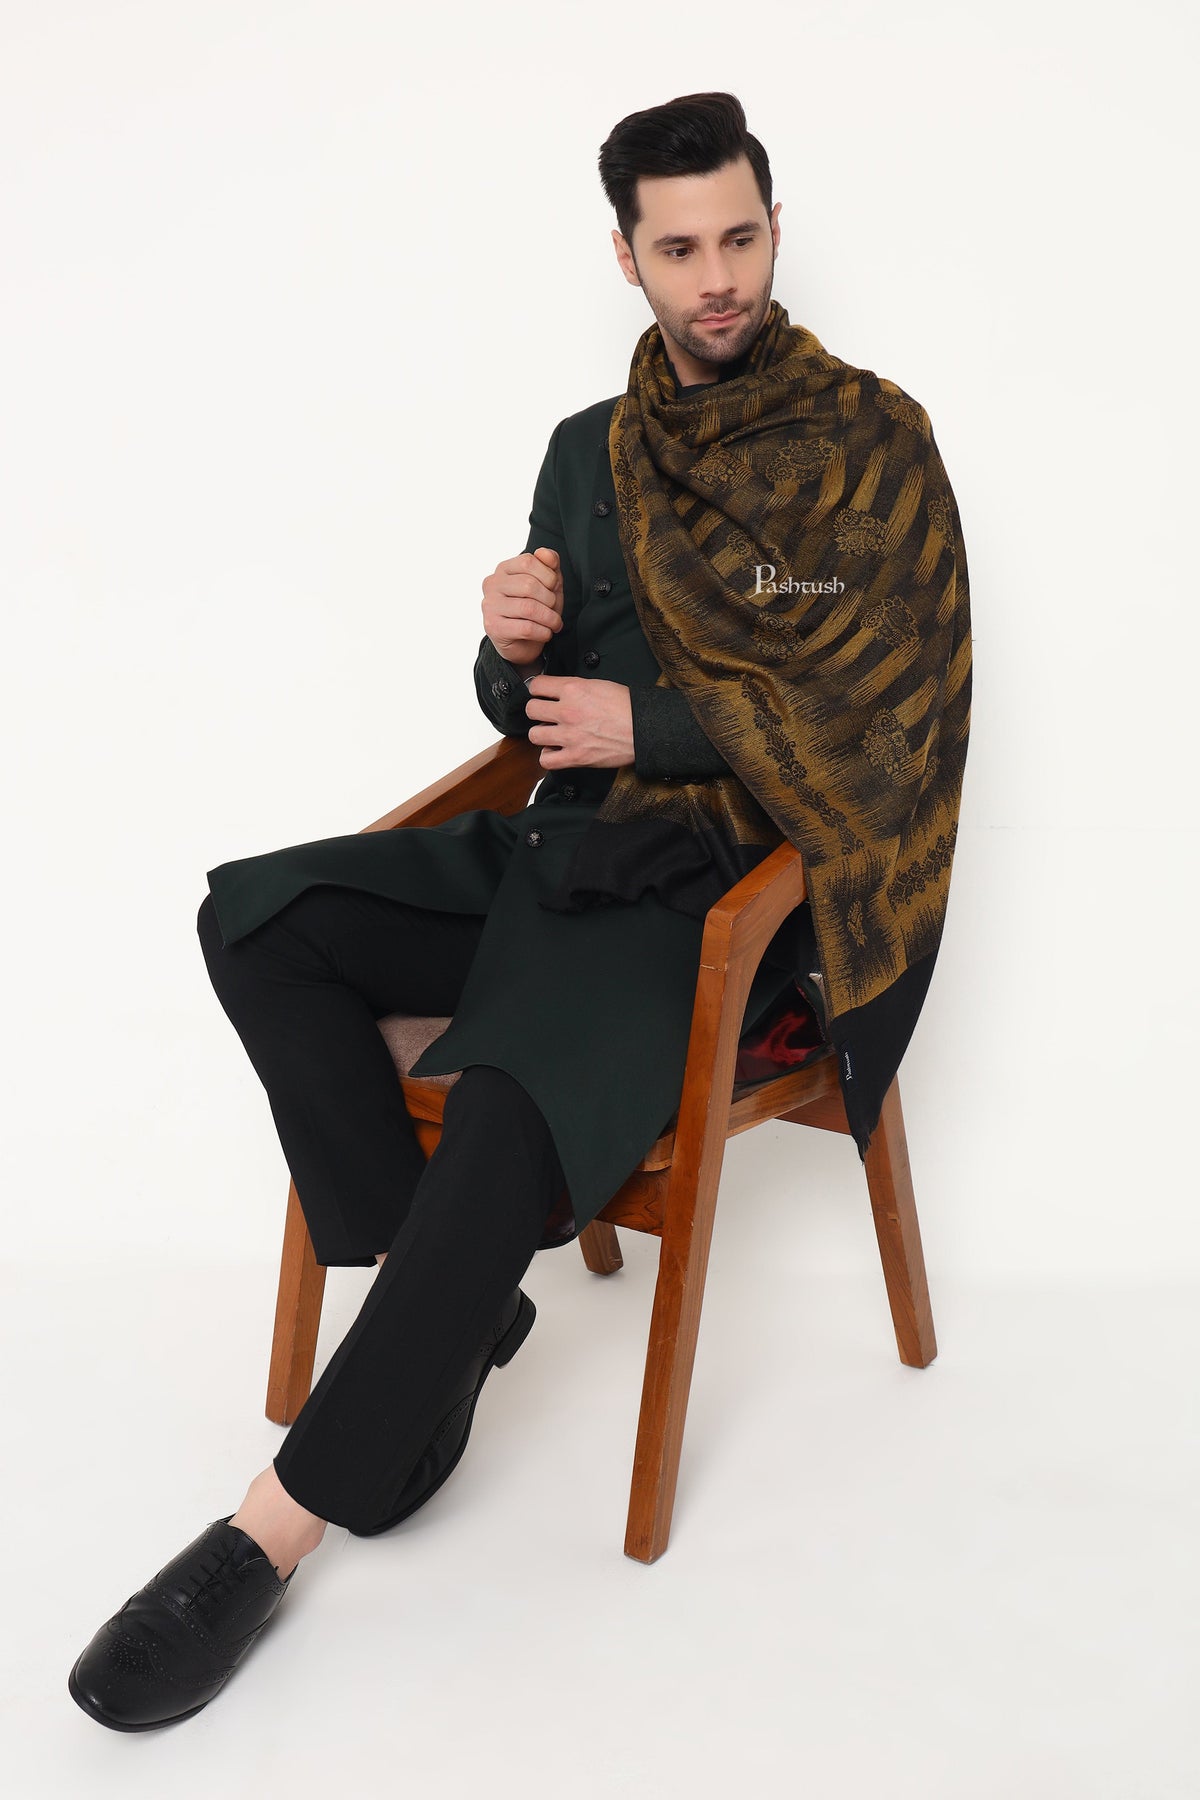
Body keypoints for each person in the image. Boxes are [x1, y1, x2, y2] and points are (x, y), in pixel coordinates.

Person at [69, 89, 970, 1731]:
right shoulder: (588, 449)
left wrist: (661, 729)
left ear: (776, 227)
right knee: (260, 923)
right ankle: (455, 1304)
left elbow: (886, 717)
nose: (718, 278)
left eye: (741, 238)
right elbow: (529, 714)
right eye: (679, 248)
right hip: (560, 853)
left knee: (505, 1091)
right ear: (625, 256)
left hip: (708, 898)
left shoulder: (868, 443)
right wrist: (506, 645)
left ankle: (278, 1524)